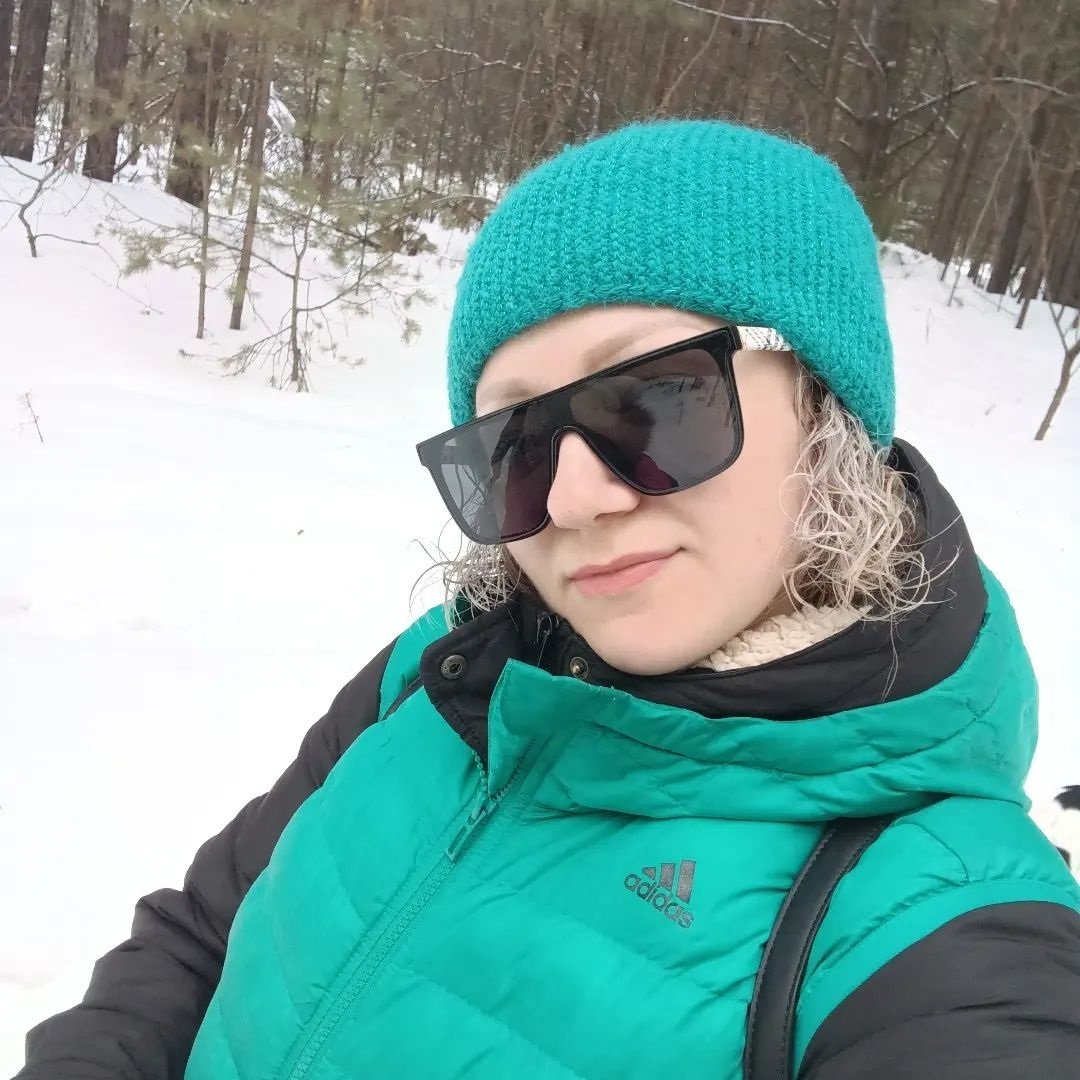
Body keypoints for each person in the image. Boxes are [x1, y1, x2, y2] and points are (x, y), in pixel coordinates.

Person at [18, 119, 1080, 1080]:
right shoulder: (440, 678)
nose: (573, 499)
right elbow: (203, 935)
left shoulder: (939, 926)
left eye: (655, 401)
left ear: (827, 404)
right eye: (514, 445)